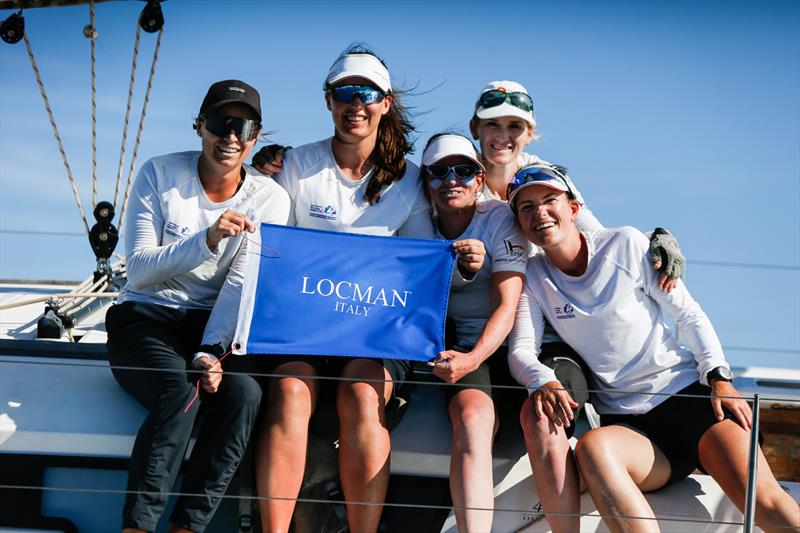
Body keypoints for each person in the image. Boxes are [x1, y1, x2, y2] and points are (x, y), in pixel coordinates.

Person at [506, 165, 800, 532]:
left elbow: (690, 316)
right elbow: (521, 351)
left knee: (765, 503)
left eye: (550, 201)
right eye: (526, 208)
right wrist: (543, 380)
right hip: (633, 428)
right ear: (518, 221)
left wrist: (720, 378)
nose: (540, 214)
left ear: (574, 208)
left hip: (693, 402)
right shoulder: (532, 275)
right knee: (593, 447)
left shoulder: (625, 243)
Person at [247, 44, 434, 533]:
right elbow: (269, 247)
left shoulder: (411, 181)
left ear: (386, 103)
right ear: (328, 101)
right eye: (344, 93)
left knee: (360, 395)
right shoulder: (292, 166)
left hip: (374, 334)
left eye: (367, 93)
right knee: (289, 392)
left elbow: (421, 268)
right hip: (302, 329)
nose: (356, 104)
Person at [105, 80, 293, 533]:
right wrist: (207, 239)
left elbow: (243, 281)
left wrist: (212, 349)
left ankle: (188, 527)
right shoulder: (159, 173)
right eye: (220, 123)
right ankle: (137, 527)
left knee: (246, 396)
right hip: (145, 316)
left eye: (242, 126)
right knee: (180, 392)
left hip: (211, 327)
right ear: (200, 127)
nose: (230, 136)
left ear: (256, 137)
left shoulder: (271, 198)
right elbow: (141, 271)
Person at [419, 132, 527, 531]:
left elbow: (507, 305)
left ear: (480, 180)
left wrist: (472, 359)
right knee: (472, 416)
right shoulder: (414, 225)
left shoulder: (500, 218)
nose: (452, 180)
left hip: (519, 344)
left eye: (464, 171)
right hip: (463, 343)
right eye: (440, 172)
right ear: (425, 181)